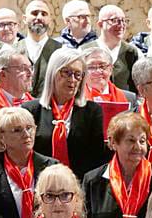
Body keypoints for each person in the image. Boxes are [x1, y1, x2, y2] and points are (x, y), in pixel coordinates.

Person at [24, 47, 106, 180]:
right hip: (40, 184)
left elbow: (96, 158)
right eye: (66, 72)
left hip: (79, 186)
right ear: (53, 73)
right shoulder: (31, 110)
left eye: (77, 74)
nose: (72, 80)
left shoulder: (92, 111)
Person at [0, 106, 57, 218]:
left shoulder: (52, 167)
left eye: (29, 128)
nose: (26, 134)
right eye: (17, 130)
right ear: (1, 137)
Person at [88, 5, 144, 91]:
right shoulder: (85, 51)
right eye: (114, 20)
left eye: (124, 21)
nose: (121, 25)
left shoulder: (134, 52)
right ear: (100, 24)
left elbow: (141, 85)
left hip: (125, 102)